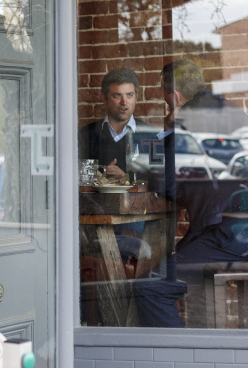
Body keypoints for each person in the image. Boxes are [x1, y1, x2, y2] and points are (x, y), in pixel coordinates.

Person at [161, 59, 248, 325]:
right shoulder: (229, 109)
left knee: (153, 285)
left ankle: (181, 346)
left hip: (240, 235)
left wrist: (169, 130)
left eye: (165, 95)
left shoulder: (186, 118)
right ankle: (203, 336)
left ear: (175, 95)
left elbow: (168, 187)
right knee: (186, 257)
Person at [78, 67, 185, 327]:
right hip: (95, 220)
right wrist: (101, 176)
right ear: (105, 98)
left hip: (137, 221)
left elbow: (160, 184)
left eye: (129, 95)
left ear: (137, 97)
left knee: (142, 244)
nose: (124, 102)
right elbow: (80, 182)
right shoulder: (87, 134)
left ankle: (128, 320)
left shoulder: (151, 135)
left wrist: (126, 178)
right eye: (117, 95)